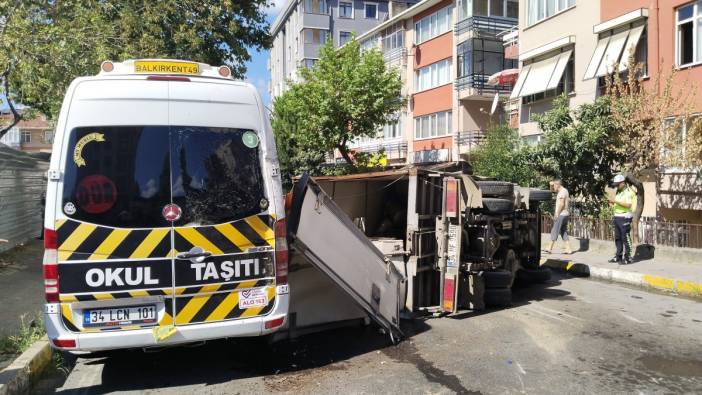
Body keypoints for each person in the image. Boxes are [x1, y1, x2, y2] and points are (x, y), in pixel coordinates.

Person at [608, 174, 635, 264]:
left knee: (625, 237)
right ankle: (618, 256)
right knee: (618, 238)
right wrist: (612, 203)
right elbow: (618, 203)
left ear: (623, 183)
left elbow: (628, 205)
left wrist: (615, 201)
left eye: (618, 184)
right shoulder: (619, 191)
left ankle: (628, 257)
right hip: (617, 216)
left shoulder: (628, 191)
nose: (616, 186)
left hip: (625, 217)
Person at [544, 179, 573, 254]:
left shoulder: (562, 192)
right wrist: (550, 185)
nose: (553, 188)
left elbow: (562, 204)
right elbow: (551, 191)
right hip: (565, 214)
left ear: (558, 185)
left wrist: (557, 213)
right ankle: (568, 249)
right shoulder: (563, 190)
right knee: (563, 231)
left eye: (554, 186)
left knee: (555, 230)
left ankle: (549, 247)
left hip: (561, 214)